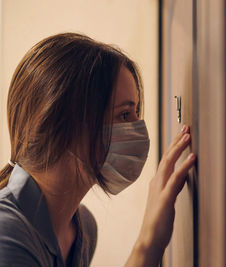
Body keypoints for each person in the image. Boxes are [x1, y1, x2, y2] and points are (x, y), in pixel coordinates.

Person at [0, 33, 196, 267]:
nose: (138, 130)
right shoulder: (7, 234)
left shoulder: (82, 228)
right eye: (124, 115)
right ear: (66, 124)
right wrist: (147, 242)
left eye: (136, 115)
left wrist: (150, 239)